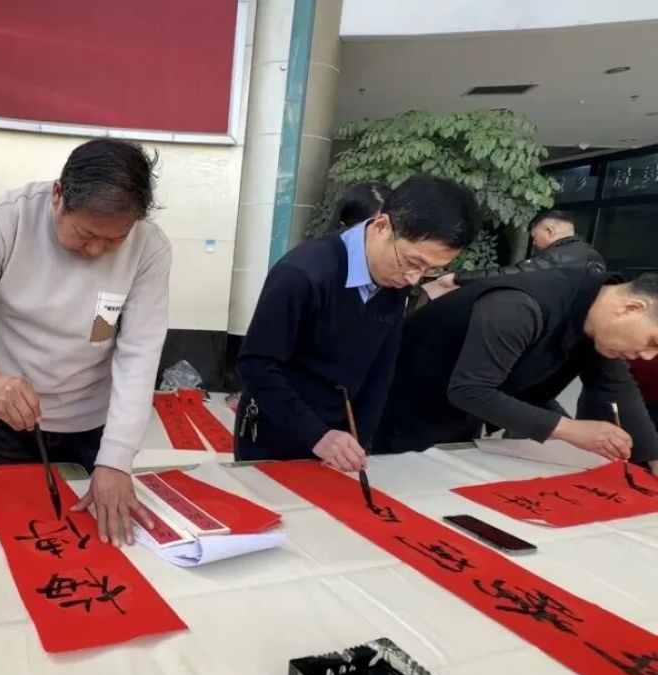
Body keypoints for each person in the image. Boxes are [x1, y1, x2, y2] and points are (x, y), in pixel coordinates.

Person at [0, 138, 171, 546]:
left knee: (92, 544)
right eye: (85, 233)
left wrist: (116, 458)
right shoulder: (8, 220)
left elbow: (139, 354)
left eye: (114, 240)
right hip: (8, 421)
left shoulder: (149, 247)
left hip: (92, 424)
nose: (96, 249)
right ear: (58, 195)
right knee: (4, 537)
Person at [234, 175, 480, 468]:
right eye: (413, 263)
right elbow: (256, 365)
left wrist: (360, 439)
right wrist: (317, 436)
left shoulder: (396, 280)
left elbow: (380, 371)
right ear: (382, 226)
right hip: (276, 433)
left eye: (431, 270)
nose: (414, 279)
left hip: (340, 441)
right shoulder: (303, 274)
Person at [374, 265, 658, 475]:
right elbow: (470, 390)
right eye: (653, 342)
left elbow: (615, 386)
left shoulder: (597, 316)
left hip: (457, 416)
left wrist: (653, 457)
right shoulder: (520, 306)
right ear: (632, 308)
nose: (647, 356)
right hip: (399, 405)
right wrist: (567, 429)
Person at [427, 210, 602, 296]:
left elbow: (512, 274)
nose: (534, 242)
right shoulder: (589, 255)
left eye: (534, 237)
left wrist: (458, 278)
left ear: (549, 231)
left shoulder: (557, 257)